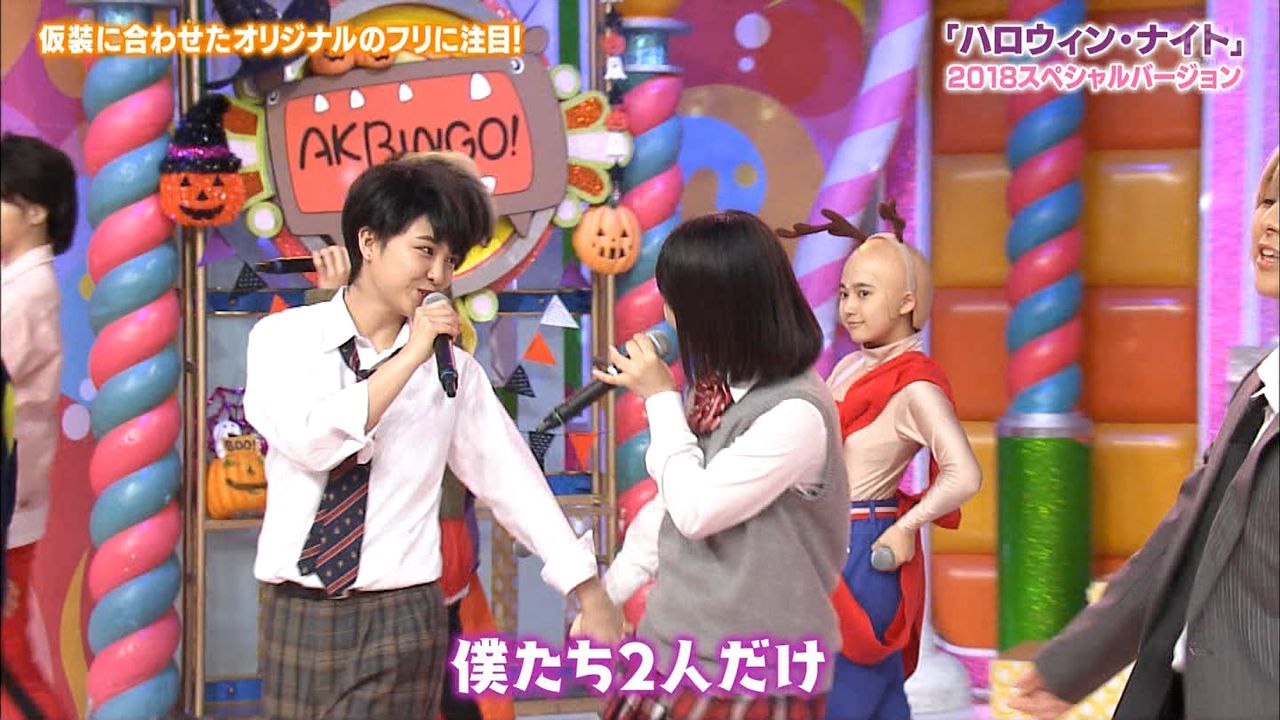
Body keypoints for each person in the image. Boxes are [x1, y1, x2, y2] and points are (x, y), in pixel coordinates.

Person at [244, 155, 624, 720]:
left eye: (450, 260)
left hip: (403, 614)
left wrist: (588, 590)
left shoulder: (453, 372)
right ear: (368, 242)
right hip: (297, 608)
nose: (438, 276)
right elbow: (312, 441)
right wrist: (408, 359)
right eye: (425, 251)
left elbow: (513, 481)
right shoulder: (284, 339)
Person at [1010, 147, 1279, 720]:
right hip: (1185, 692)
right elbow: (1185, 535)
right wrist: (1074, 663)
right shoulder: (1263, 382)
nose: (1271, 223)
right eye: (1268, 200)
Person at [587, 210, 850, 719]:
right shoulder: (714, 387)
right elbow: (667, 510)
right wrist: (608, 595)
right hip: (669, 650)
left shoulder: (796, 412)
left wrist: (659, 399)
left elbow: (695, 511)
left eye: (676, 302)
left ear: (718, 310)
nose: (667, 317)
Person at [780, 203, 982, 719]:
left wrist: (907, 527)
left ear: (906, 302)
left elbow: (964, 474)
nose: (849, 307)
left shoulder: (916, 386)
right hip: (826, 535)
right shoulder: (849, 365)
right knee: (875, 695)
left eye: (864, 294)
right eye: (845, 293)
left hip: (867, 541)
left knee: (846, 689)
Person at [0, 132, 75, 720]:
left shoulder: (25, 294)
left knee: (12, 667)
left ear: (35, 210)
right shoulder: (18, 286)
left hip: (8, 506)